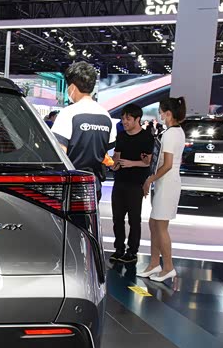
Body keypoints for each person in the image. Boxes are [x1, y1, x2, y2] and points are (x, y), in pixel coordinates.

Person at [137, 96, 187, 284]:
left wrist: (149, 179)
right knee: (154, 224)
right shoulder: (175, 132)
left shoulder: (171, 134)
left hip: (167, 183)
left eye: (161, 112)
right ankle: (154, 264)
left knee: (160, 226)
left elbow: (167, 165)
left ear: (168, 113)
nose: (159, 115)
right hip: (166, 183)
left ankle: (168, 267)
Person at [51, 61, 116, 200]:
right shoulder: (106, 115)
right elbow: (106, 151)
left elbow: (60, 154)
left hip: (71, 186)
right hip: (94, 186)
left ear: (72, 87)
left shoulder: (68, 113)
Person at [110, 104, 153, 264]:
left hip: (136, 183)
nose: (124, 121)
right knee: (117, 218)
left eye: (128, 118)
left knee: (134, 219)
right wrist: (114, 165)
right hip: (119, 181)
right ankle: (118, 249)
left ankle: (132, 251)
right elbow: (116, 156)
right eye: (123, 118)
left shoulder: (146, 137)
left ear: (137, 119)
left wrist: (131, 163)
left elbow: (148, 162)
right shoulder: (121, 136)